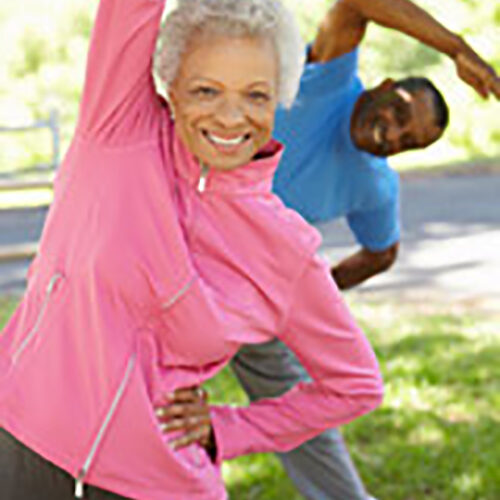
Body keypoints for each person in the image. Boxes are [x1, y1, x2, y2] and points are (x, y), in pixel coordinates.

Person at [0, 1, 384, 499]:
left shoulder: (286, 248)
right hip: (21, 434)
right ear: (171, 88)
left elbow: (356, 385)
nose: (231, 116)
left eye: (256, 95)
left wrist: (228, 429)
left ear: (280, 100)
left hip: (157, 482)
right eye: (206, 90)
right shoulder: (117, 129)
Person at [166, 1, 500, 499]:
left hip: (254, 297)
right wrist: (454, 47)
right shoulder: (327, 80)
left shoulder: (377, 186)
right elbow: (356, 4)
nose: (395, 132)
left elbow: (381, 253)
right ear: (385, 87)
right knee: (154, 409)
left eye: (409, 141)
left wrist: (308, 296)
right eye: (401, 112)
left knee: (310, 428)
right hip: (172, 257)